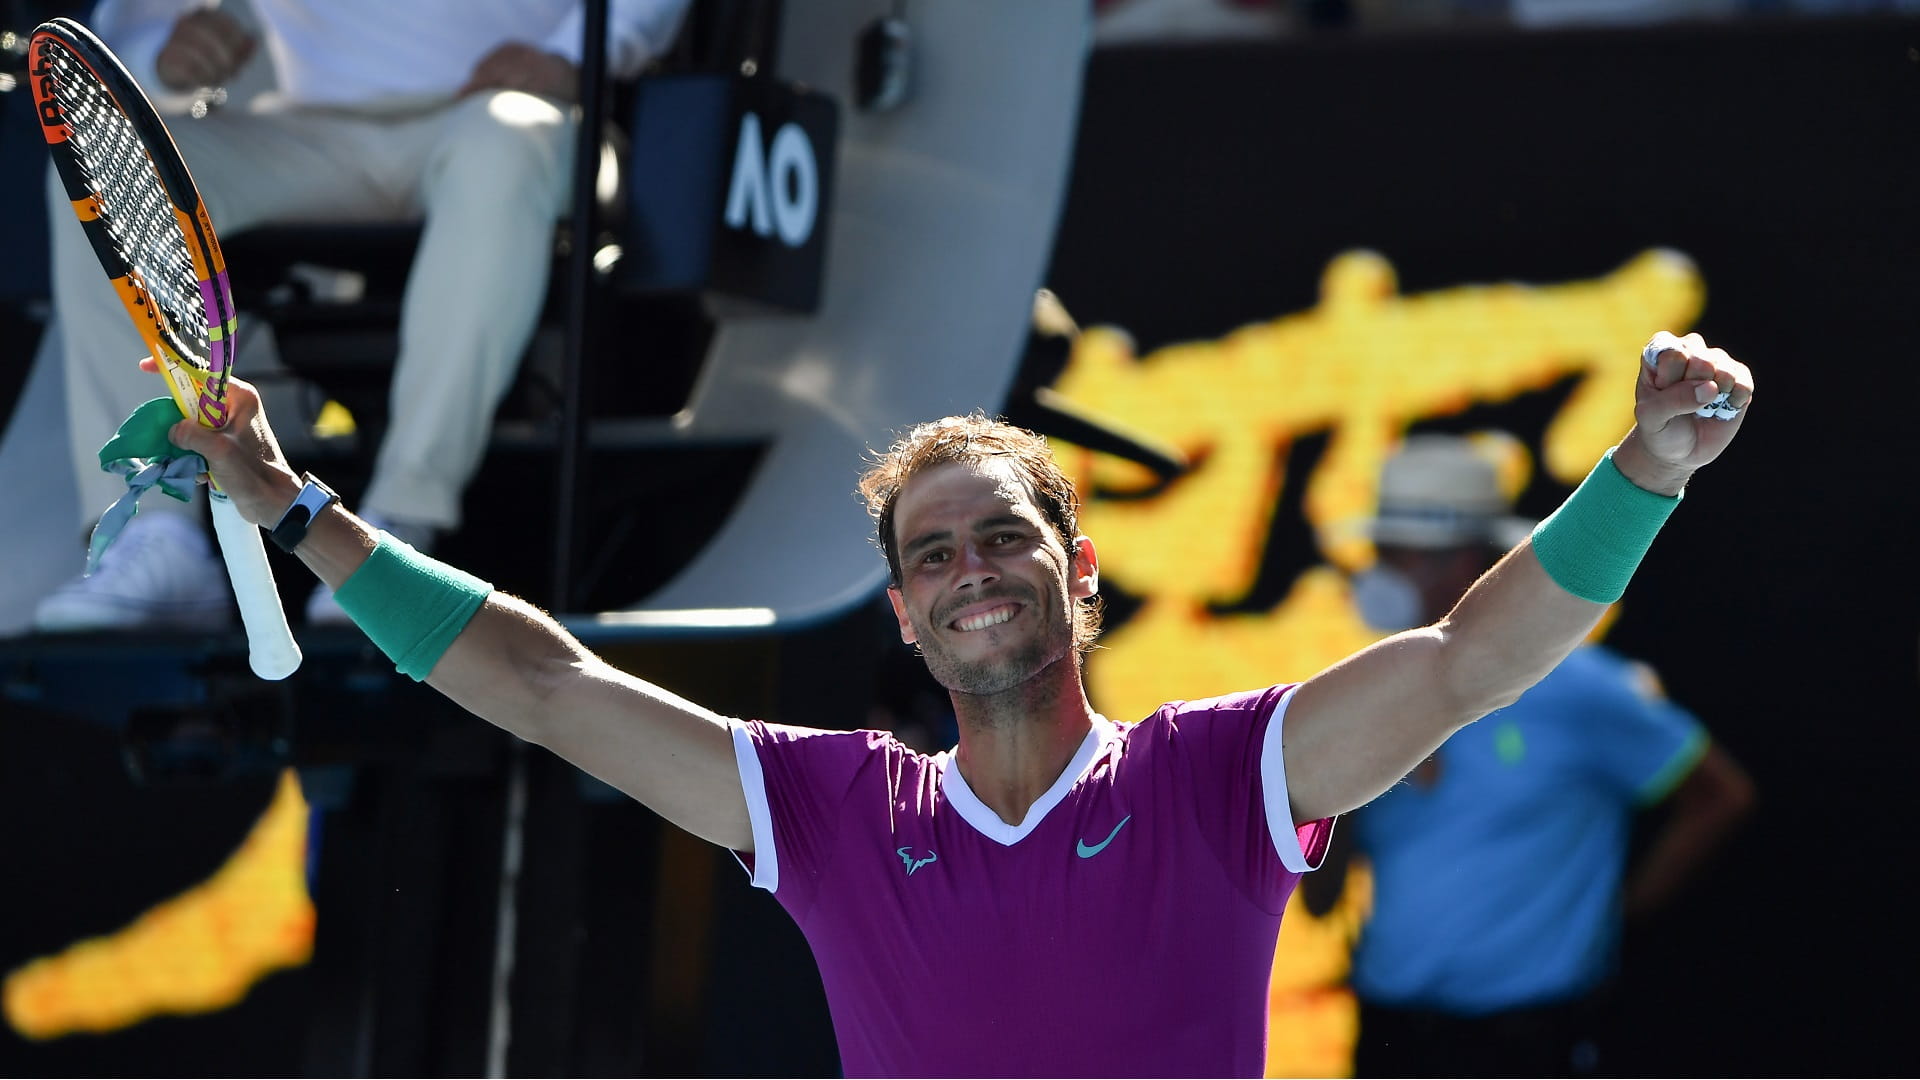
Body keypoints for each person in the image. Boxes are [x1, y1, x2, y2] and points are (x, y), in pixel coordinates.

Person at [155, 330, 1751, 1076]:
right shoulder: (835, 809)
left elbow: (1474, 658)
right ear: (907, 619)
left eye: (1007, 535)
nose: (974, 567)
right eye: (935, 554)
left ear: (1080, 579)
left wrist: (1644, 475)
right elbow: (546, 683)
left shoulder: (1227, 777)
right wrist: (300, 509)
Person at [32, 0, 691, 632]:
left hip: (519, 115)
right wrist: (161, 59)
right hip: (310, 132)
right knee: (95, 163)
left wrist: (565, 57)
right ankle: (156, 532)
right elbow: (132, 32)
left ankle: (400, 528)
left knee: (506, 140)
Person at [1338, 432, 1757, 1077]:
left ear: (1471, 560)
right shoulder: (1364, 689)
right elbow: (1322, 884)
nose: (1385, 578)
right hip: (1389, 1037)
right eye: (1382, 554)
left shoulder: (1580, 686)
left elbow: (1719, 796)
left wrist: (1614, 921)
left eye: (1408, 557)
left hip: (1526, 1043)